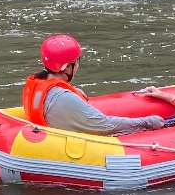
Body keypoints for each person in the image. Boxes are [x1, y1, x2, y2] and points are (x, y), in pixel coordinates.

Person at [22, 35, 166, 135]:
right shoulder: (63, 98)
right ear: (66, 67)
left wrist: (74, 91)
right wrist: (147, 122)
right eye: (76, 61)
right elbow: (104, 125)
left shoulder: (39, 82)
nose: (78, 65)